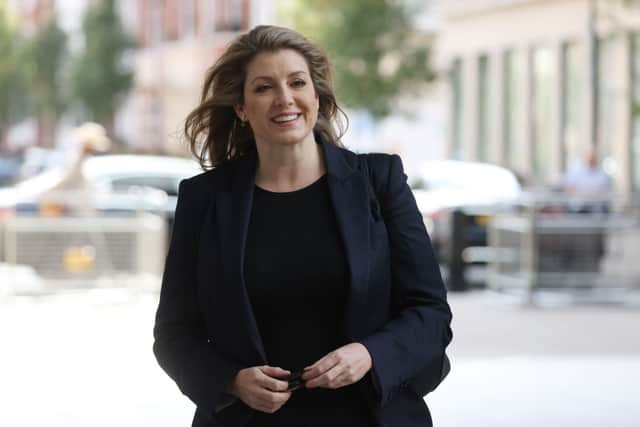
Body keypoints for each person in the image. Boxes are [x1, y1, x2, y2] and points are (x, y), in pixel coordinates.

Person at [152, 25, 452, 427]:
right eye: (263, 88)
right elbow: (174, 334)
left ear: (316, 95)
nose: (284, 98)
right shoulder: (204, 200)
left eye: (297, 82)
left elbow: (430, 312)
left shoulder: (378, 182)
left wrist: (369, 354)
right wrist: (231, 381)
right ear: (241, 107)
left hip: (368, 417)